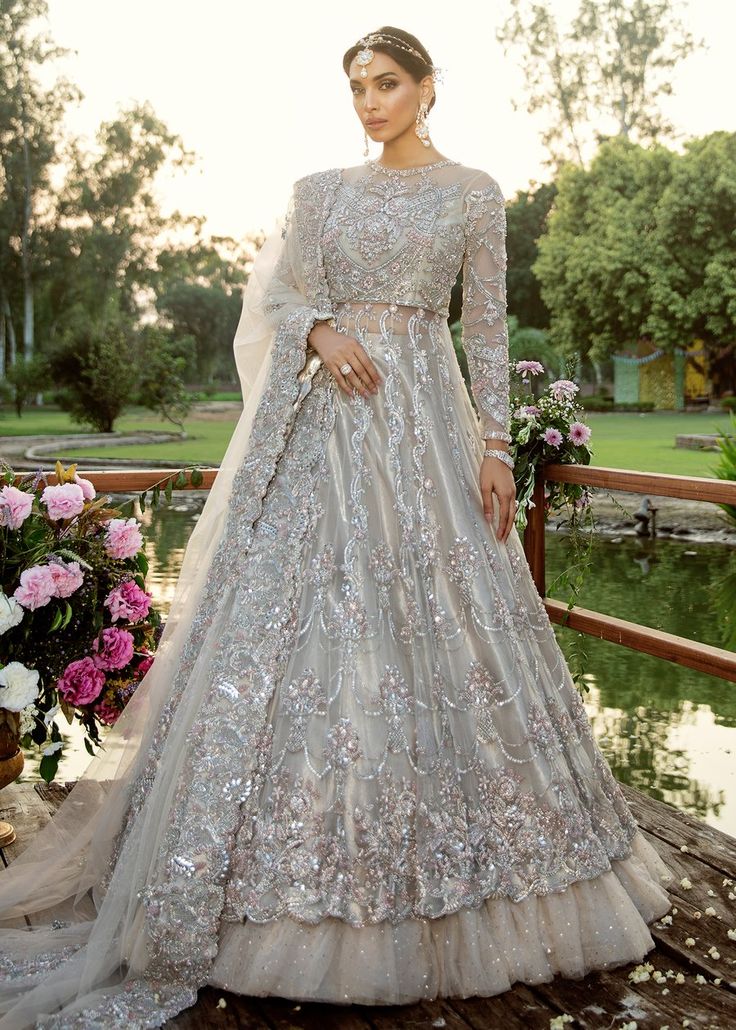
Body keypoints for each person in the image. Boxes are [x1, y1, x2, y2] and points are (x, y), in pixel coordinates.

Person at [0, 25, 673, 1028]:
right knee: (299, 624)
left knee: (446, 617)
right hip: (327, 428)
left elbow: (484, 323)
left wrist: (495, 445)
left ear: (427, 88)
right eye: (357, 85)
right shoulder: (320, 190)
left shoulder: (473, 194)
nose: (370, 102)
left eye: (388, 83)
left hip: (431, 428)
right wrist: (317, 327)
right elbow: (274, 291)